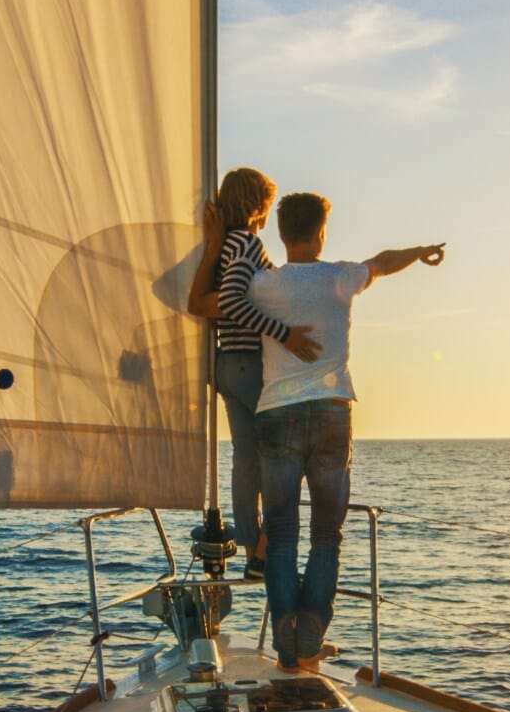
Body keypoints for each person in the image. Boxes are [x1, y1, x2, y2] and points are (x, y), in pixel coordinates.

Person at [251, 192, 444, 673]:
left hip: (277, 413)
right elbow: (381, 262)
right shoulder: (340, 277)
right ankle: (311, 631)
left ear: (281, 235)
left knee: (279, 537)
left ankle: (286, 642)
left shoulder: (262, 285)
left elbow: (221, 297)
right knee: (326, 534)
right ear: (320, 233)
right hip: (333, 414)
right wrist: (419, 252)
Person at [186, 168, 321, 576]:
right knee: (286, 458)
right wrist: (285, 334)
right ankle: (264, 549)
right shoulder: (246, 243)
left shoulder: (222, 243)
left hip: (226, 365)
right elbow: (230, 300)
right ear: (259, 206)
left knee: (246, 462)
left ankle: (251, 555)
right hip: (251, 368)